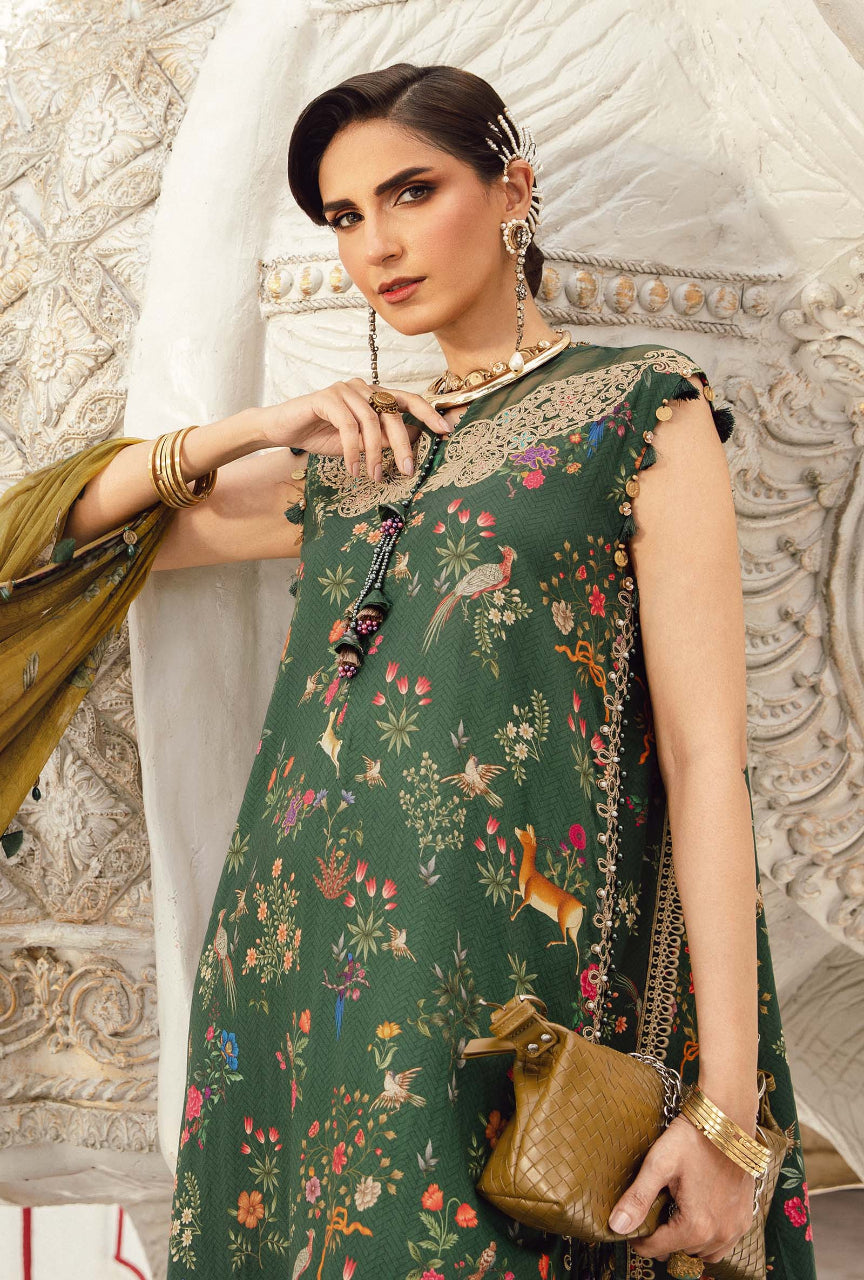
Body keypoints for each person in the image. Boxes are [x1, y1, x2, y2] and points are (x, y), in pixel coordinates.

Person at [0, 63, 817, 1280]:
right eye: (341, 218)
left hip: (508, 993)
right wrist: (257, 426)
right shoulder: (362, 453)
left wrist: (727, 1113)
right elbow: (48, 537)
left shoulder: (637, 409)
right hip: (294, 964)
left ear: (512, 189)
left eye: (410, 191)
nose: (374, 244)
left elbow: (707, 765)